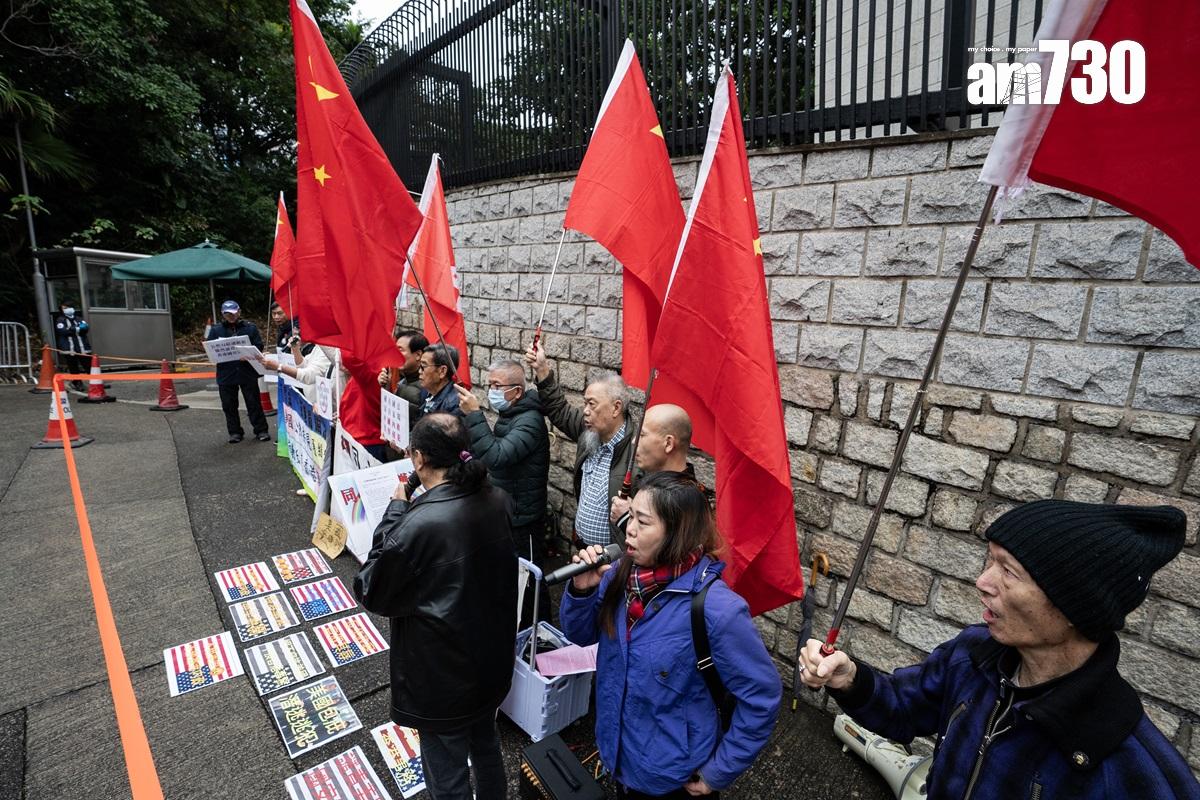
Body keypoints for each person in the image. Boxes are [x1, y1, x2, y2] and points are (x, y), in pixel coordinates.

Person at [799, 500, 1200, 800]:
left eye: (1008, 570)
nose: (983, 581)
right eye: (990, 560)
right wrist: (849, 679)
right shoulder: (974, 655)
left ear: (1077, 606)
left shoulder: (1129, 766)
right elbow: (903, 708)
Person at [560, 471, 781, 799]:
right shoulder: (619, 576)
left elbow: (762, 697)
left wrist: (718, 772)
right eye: (630, 516)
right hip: (618, 754)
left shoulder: (717, 610)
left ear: (677, 533)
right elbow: (578, 636)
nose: (629, 529)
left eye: (643, 521)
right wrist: (581, 591)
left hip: (674, 777)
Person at [354, 413, 517, 800]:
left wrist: (395, 510)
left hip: (442, 676)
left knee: (447, 776)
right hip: (490, 661)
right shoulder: (496, 499)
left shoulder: (419, 523)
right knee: (486, 745)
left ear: (419, 458)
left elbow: (371, 588)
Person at [456, 360, 550, 624]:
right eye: (490, 385)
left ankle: (541, 632)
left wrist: (475, 416)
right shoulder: (510, 415)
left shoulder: (530, 421)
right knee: (510, 576)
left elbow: (497, 457)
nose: (491, 391)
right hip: (507, 511)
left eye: (497, 386)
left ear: (517, 391)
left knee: (530, 580)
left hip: (524, 518)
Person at [525, 342, 631, 547]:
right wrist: (542, 369)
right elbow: (560, 410)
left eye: (592, 404)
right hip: (582, 551)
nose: (585, 411)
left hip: (613, 559)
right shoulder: (589, 431)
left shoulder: (636, 453)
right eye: (585, 403)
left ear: (616, 408)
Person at [609, 404, 704, 532]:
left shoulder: (684, 500)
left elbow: (667, 545)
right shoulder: (658, 484)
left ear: (668, 443)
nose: (634, 441)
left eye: (642, 435)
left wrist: (625, 518)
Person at [206, 300, 269, 443]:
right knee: (229, 405)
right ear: (223, 314)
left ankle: (261, 430)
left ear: (239, 312)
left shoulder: (250, 328)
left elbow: (258, 345)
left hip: (247, 370)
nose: (231, 316)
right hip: (226, 373)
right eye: (227, 314)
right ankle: (234, 432)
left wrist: (248, 354)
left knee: (253, 402)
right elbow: (210, 349)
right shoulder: (216, 330)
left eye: (233, 313)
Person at [378, 329, 428, 414]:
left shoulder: (429, 387)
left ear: (418, 355)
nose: (395, 354)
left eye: (400, 350)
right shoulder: (402, 382)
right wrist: (386, 387)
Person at [417, 343, 463, 419]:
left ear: (442, 371)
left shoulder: (454, 405)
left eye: (424, 366)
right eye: (420, 366)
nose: (419, 371)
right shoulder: (425, 391)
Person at [53, 302, 91, 390]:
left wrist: (72, 329)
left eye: (68, 307)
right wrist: (77, 328)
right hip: (68, 347)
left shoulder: (78, 318)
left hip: (82, 346)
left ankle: (96, 381)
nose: (66, 309)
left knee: (89, 365)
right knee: (73, 366)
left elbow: (85, 328)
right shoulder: (60, 320)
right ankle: (77, 383)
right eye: (64, 308)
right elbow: (63, 331)